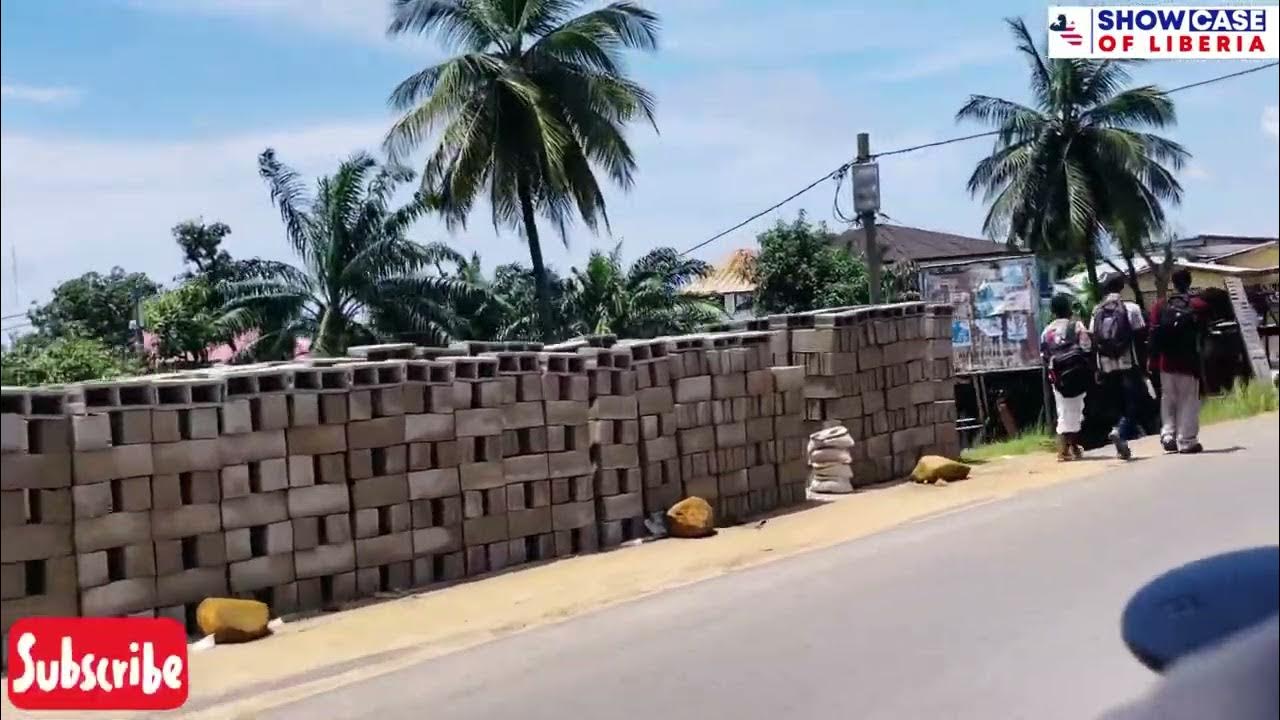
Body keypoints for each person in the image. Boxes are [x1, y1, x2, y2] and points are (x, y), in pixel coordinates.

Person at [1148, 268, 1207, 454]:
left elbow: (1153, 333)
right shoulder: (1198, 305)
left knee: (1168, 399)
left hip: (1166, 362)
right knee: (1188, 400)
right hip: (1189, 363)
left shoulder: (1160, 305)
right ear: (1189, 283)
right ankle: (1187, 441)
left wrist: (1152, 359)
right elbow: (1204, 333)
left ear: (1173, 283)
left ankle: (1168, 435)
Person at [1091, 275, 1147, 460]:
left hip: (1106, 366)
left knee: (1117, 404)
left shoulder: (1096, 311)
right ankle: (1120, 432)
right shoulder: (1131, 308)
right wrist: (1144, 364)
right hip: (1128, 363)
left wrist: (1097, 369)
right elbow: (1140, 336)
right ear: (1121, 288)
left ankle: (1121, 441)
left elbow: (1094, 341)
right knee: (1134, 402)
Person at [1041, 294, 1092, 461]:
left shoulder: (1046, 331)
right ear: (1069, 308)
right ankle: (1065, 448)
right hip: (1076, 372)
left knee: (1063, 409)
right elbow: (1086, 347)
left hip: (1058, 377)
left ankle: (1072, 447)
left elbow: (1044, 355)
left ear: (1053, 311)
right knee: (1076, 409)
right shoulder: (1076, 325)